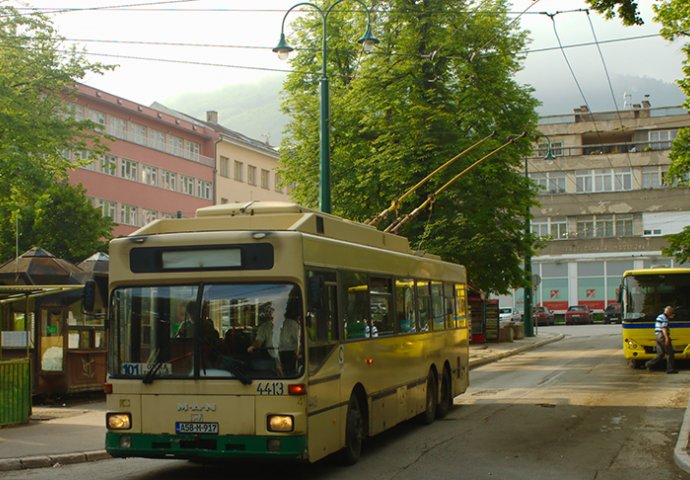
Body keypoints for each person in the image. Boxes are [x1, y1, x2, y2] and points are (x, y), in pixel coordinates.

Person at [645, 306, 678, 374]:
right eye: (671, 312)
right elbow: (664, 328)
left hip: (657, 336)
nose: (672, 313)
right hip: (662, 336)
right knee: (670, 353)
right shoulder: (665, 318)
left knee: (660, 354)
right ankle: (670, 369)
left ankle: (649, 364)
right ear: (668, 311)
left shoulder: (659, 316)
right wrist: (666, 338)